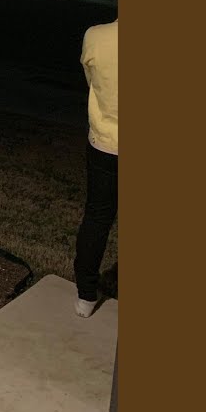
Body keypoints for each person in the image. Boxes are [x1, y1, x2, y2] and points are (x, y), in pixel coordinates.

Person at [74, 19, 118, 318]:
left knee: (97, 218)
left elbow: (92, 82)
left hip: (105, 143)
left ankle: (86, 296)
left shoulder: (96, 36)